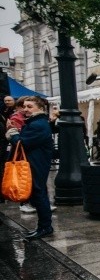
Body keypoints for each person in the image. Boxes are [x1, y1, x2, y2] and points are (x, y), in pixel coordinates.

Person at [5, 96, 54, 239]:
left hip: (35, 164)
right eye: (24, 106)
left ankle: (45, 227)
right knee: (38, 194)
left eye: (30, 106)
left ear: (40, 108)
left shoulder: (38, 124)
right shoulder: (35, 122)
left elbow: (23, 143)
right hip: (34, 163)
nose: (25, 109)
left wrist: (12, 133)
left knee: (39, 194)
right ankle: (44, 226)